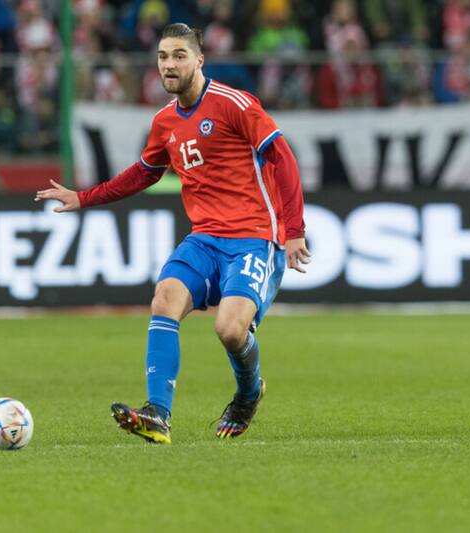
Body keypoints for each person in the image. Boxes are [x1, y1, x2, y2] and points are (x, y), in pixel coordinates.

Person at [35, 23, 310, 444]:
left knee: (231, 331)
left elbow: (282, 156)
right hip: (204, 239)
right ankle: (157, 414)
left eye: (179, 55)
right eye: (163, 56)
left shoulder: (234, 103)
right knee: (164, 297)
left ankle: (249, 392)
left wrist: (294, 230)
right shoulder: (165, 121)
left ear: (199, 60)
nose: (169, 64)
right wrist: (84, 197)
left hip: (255, 237)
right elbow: (143, 173)